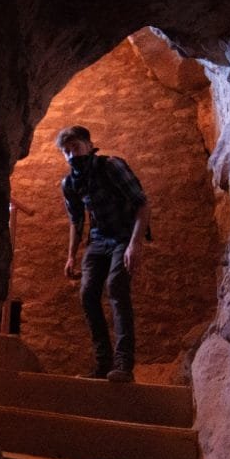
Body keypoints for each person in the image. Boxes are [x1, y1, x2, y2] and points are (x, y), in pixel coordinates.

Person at [58, 125, 151, 383]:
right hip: (98, 241)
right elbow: (76, 221)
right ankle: (103, 363)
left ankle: (123, 364)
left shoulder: (111, 166)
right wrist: (70, 256)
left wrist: (135, 244)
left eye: (75, 147)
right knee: (88, 295)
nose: (71, 155)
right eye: (66, 152)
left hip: (123, 235)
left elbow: (142, 203)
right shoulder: (70, 183)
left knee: (116, 288)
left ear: (89, 144)